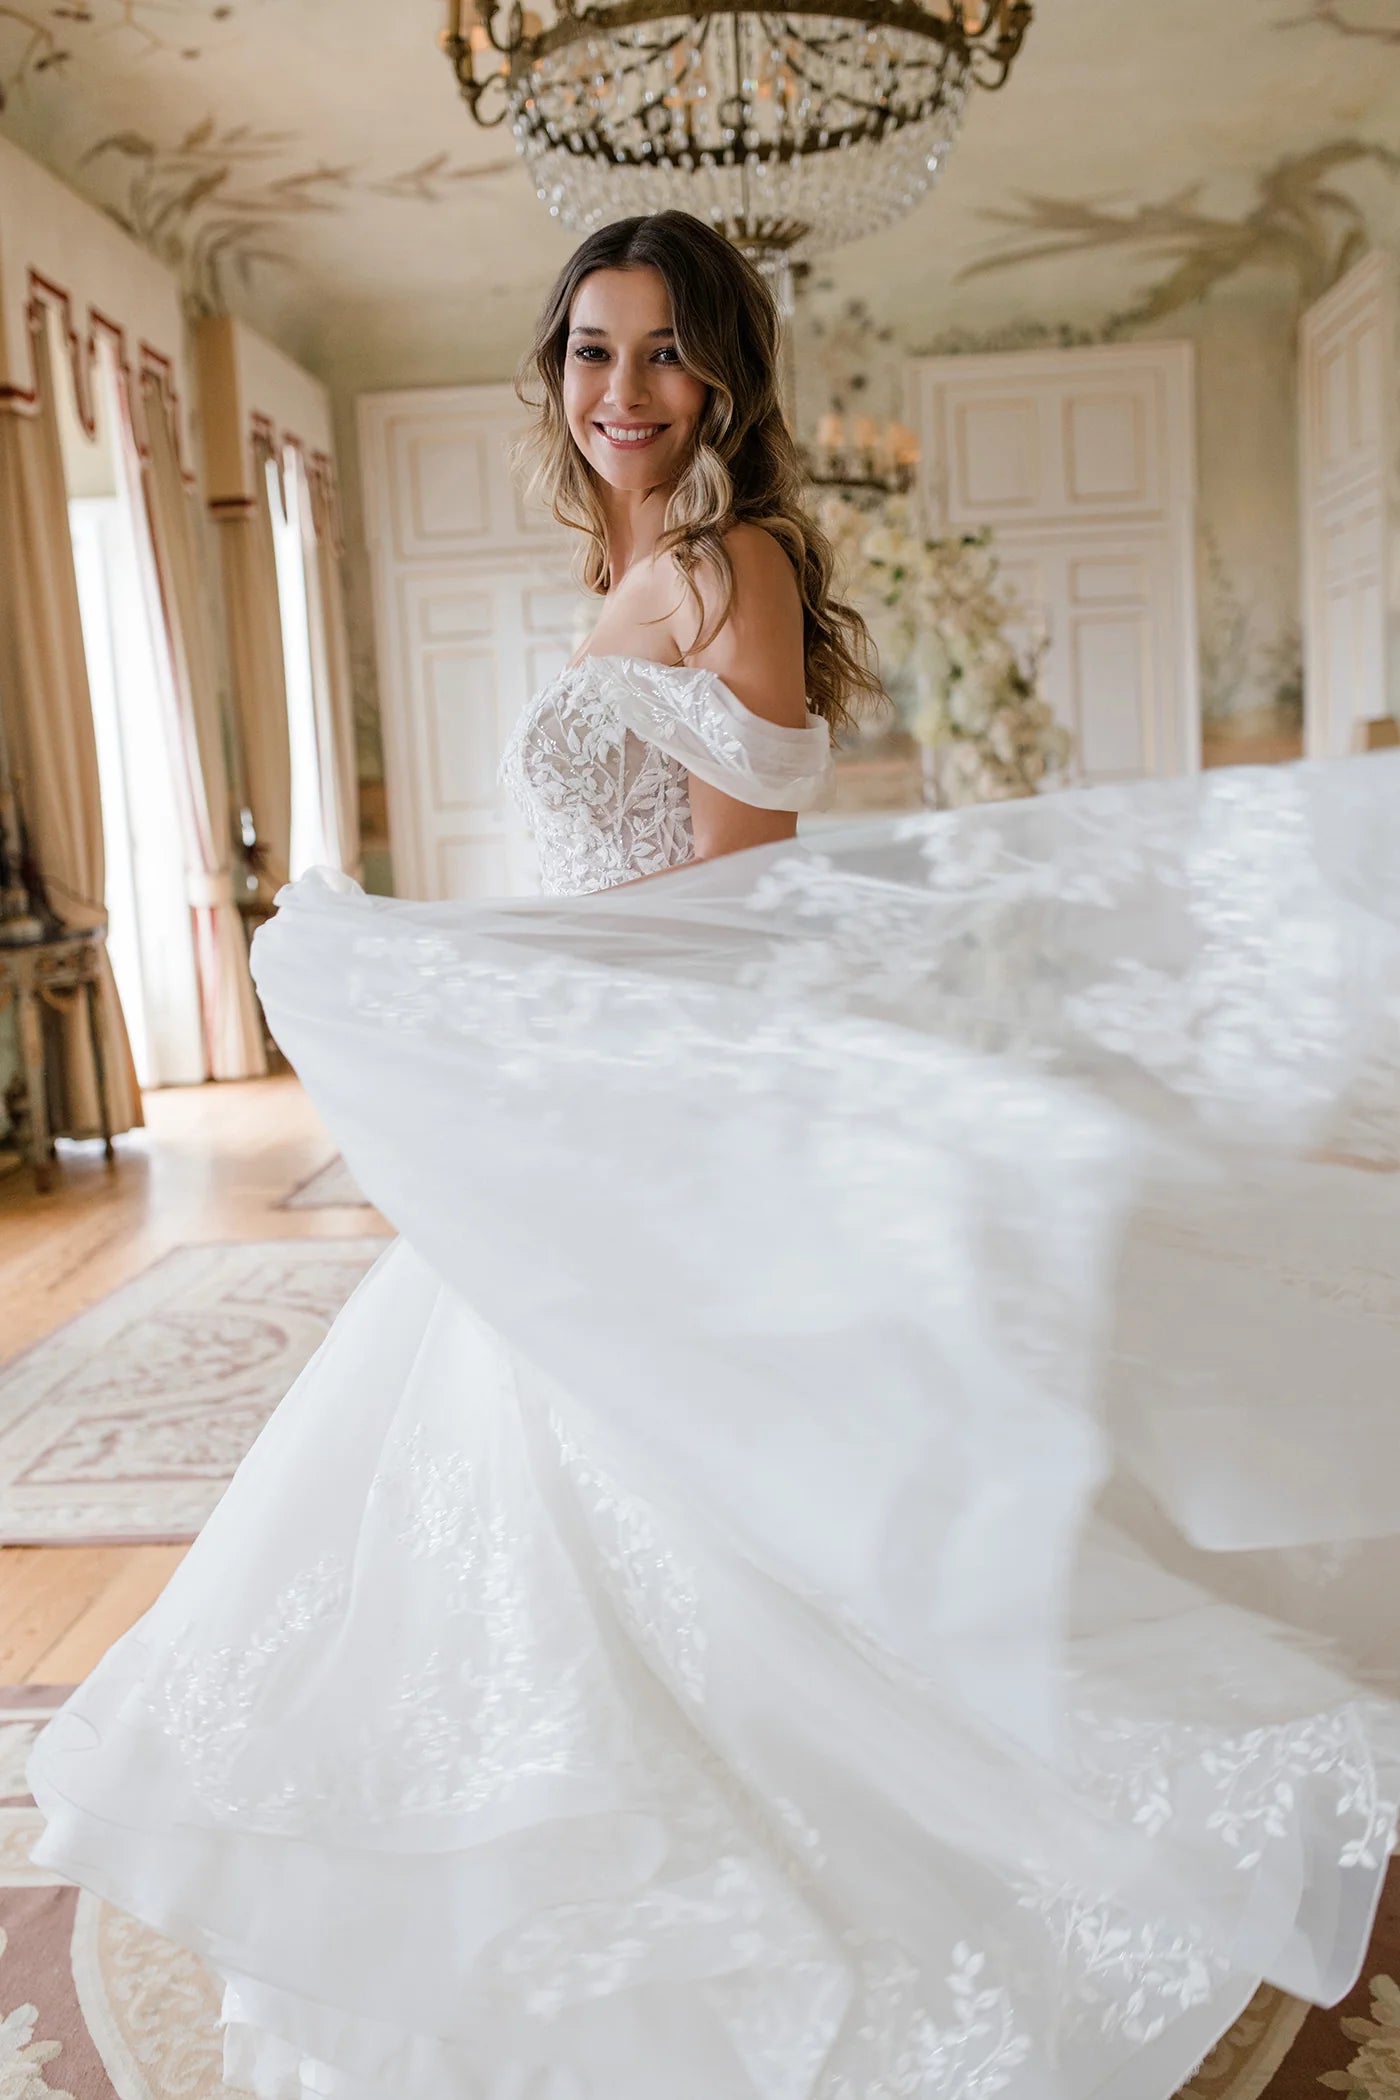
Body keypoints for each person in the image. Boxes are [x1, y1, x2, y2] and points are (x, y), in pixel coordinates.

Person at [26, 211, 1400, 2100]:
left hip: (666, 1075)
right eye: (592, 350)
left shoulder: (730, 562)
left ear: (726, 375)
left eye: (663, 352)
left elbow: (732, 911)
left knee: (676, 1469)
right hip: (596, 1072)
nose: (623, 390)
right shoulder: (619, 572)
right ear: (555, 371)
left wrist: (485, 975)